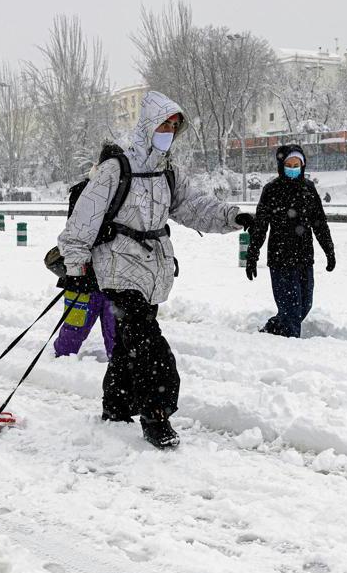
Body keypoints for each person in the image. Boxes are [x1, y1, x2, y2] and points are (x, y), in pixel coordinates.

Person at [58, 91, 255, 449]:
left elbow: (193, 207)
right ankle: (156, 415)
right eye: (164, 124)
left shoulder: (167, 172)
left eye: (174, 126)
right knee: (149, 345)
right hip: (117, 268)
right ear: (148, 125)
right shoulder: (115, 169)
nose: (169, 130)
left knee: (129, 344)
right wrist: (75, 265)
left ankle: (116, 407)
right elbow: (81, 222)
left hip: (152, 270)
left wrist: (232, 217)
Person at [245, 145, 335, 338]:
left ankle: (271, 330)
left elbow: (319, 223)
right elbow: (261, 226)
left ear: (303, 166)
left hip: (304, 257)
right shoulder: (271, 190)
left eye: (297, 164)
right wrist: (252, 254)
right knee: (292, 311)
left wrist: (329, 251)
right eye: (289, 164)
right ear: (281, 165)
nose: (293, 168)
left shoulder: (308, 189)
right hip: (280, 258)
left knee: (304, 305)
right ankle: (291, 349)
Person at [53, 290, 116, 360]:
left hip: (119, 288)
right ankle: (62, 359)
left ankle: (119, 362)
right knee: (74, 329)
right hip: (85, 287)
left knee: (116, 332)